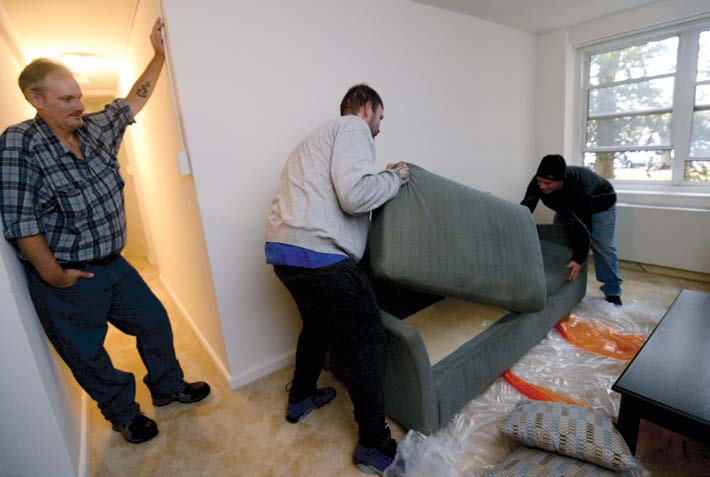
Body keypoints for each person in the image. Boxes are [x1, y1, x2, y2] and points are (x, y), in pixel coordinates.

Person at [0, 18, 210, 444]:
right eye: (66, 99)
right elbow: (22, 221)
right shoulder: (20, 143)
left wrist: (160, 56)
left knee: (154, 321)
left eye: (78, 96)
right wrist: (54, 276)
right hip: (69, 279)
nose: (78, 105)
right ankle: (124, 414)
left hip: (117, 265)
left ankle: (168, 387)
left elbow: (133, 101)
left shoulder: (95, 129)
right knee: (89, 356)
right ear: (35, 98)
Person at [264, 84, 409, 474]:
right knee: (367, 339)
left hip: (285, 251)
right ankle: (374, 446)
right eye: (381, 117)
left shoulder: (316, 140)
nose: (379, 127)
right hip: (318, 254)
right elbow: (354, 196)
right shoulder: (352, 128)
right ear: (369, 108)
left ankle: (301, 398)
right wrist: (393, 177)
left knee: (317, 327)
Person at [521, 154, 623, 305]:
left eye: (548, 183)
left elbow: (583, 226)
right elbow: (526, 207)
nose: (542, 186)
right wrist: (515, 227)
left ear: (560, 180)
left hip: (600, 203)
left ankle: (612, 290)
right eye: (540, 181)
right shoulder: (538, 182)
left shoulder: (579, 188)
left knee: (602, 245)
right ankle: (567, 279)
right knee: (560, 238)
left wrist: (579, 258)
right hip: (569, 206)